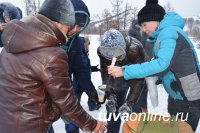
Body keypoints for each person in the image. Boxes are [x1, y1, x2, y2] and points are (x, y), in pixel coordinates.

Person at [0, 0, 106, 132]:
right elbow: (66, 100)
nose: (71, 30)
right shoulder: (51, 54)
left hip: (7, 122)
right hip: (32, 125)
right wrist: (92, 124)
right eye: (71, 25)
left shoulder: (10, 44)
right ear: (60, 22)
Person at [108, 0, 200, 131]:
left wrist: (124, 71)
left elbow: (161, 64)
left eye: (145, 24)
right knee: (172, 129)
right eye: (141, 27)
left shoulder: (169, 33)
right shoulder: (163, 35)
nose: (144, 30)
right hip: (178, 95)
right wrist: (159, 79)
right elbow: (172, 66)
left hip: (187, 99)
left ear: (155, 19)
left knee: (183, 129)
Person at [60, 0, 101, 132]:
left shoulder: (76, 41)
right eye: (75, 25)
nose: (77, 30)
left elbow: (81, 71)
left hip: (64, 85)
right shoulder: (45, 37)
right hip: (37, 94)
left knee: (72, 120)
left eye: (81, 26)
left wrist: (93, 94)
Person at [98, 29, 146, 133]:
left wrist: (129, 102)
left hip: (136, 75)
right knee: (113, 108)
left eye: (116, 53)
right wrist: (110, 94)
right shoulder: (102, 51)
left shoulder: (135, 48)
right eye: (108, 55)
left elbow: (139, 79)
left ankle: (134, 129)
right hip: (117, 76)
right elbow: (105, 73)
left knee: (135, 108)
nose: (112, 58)